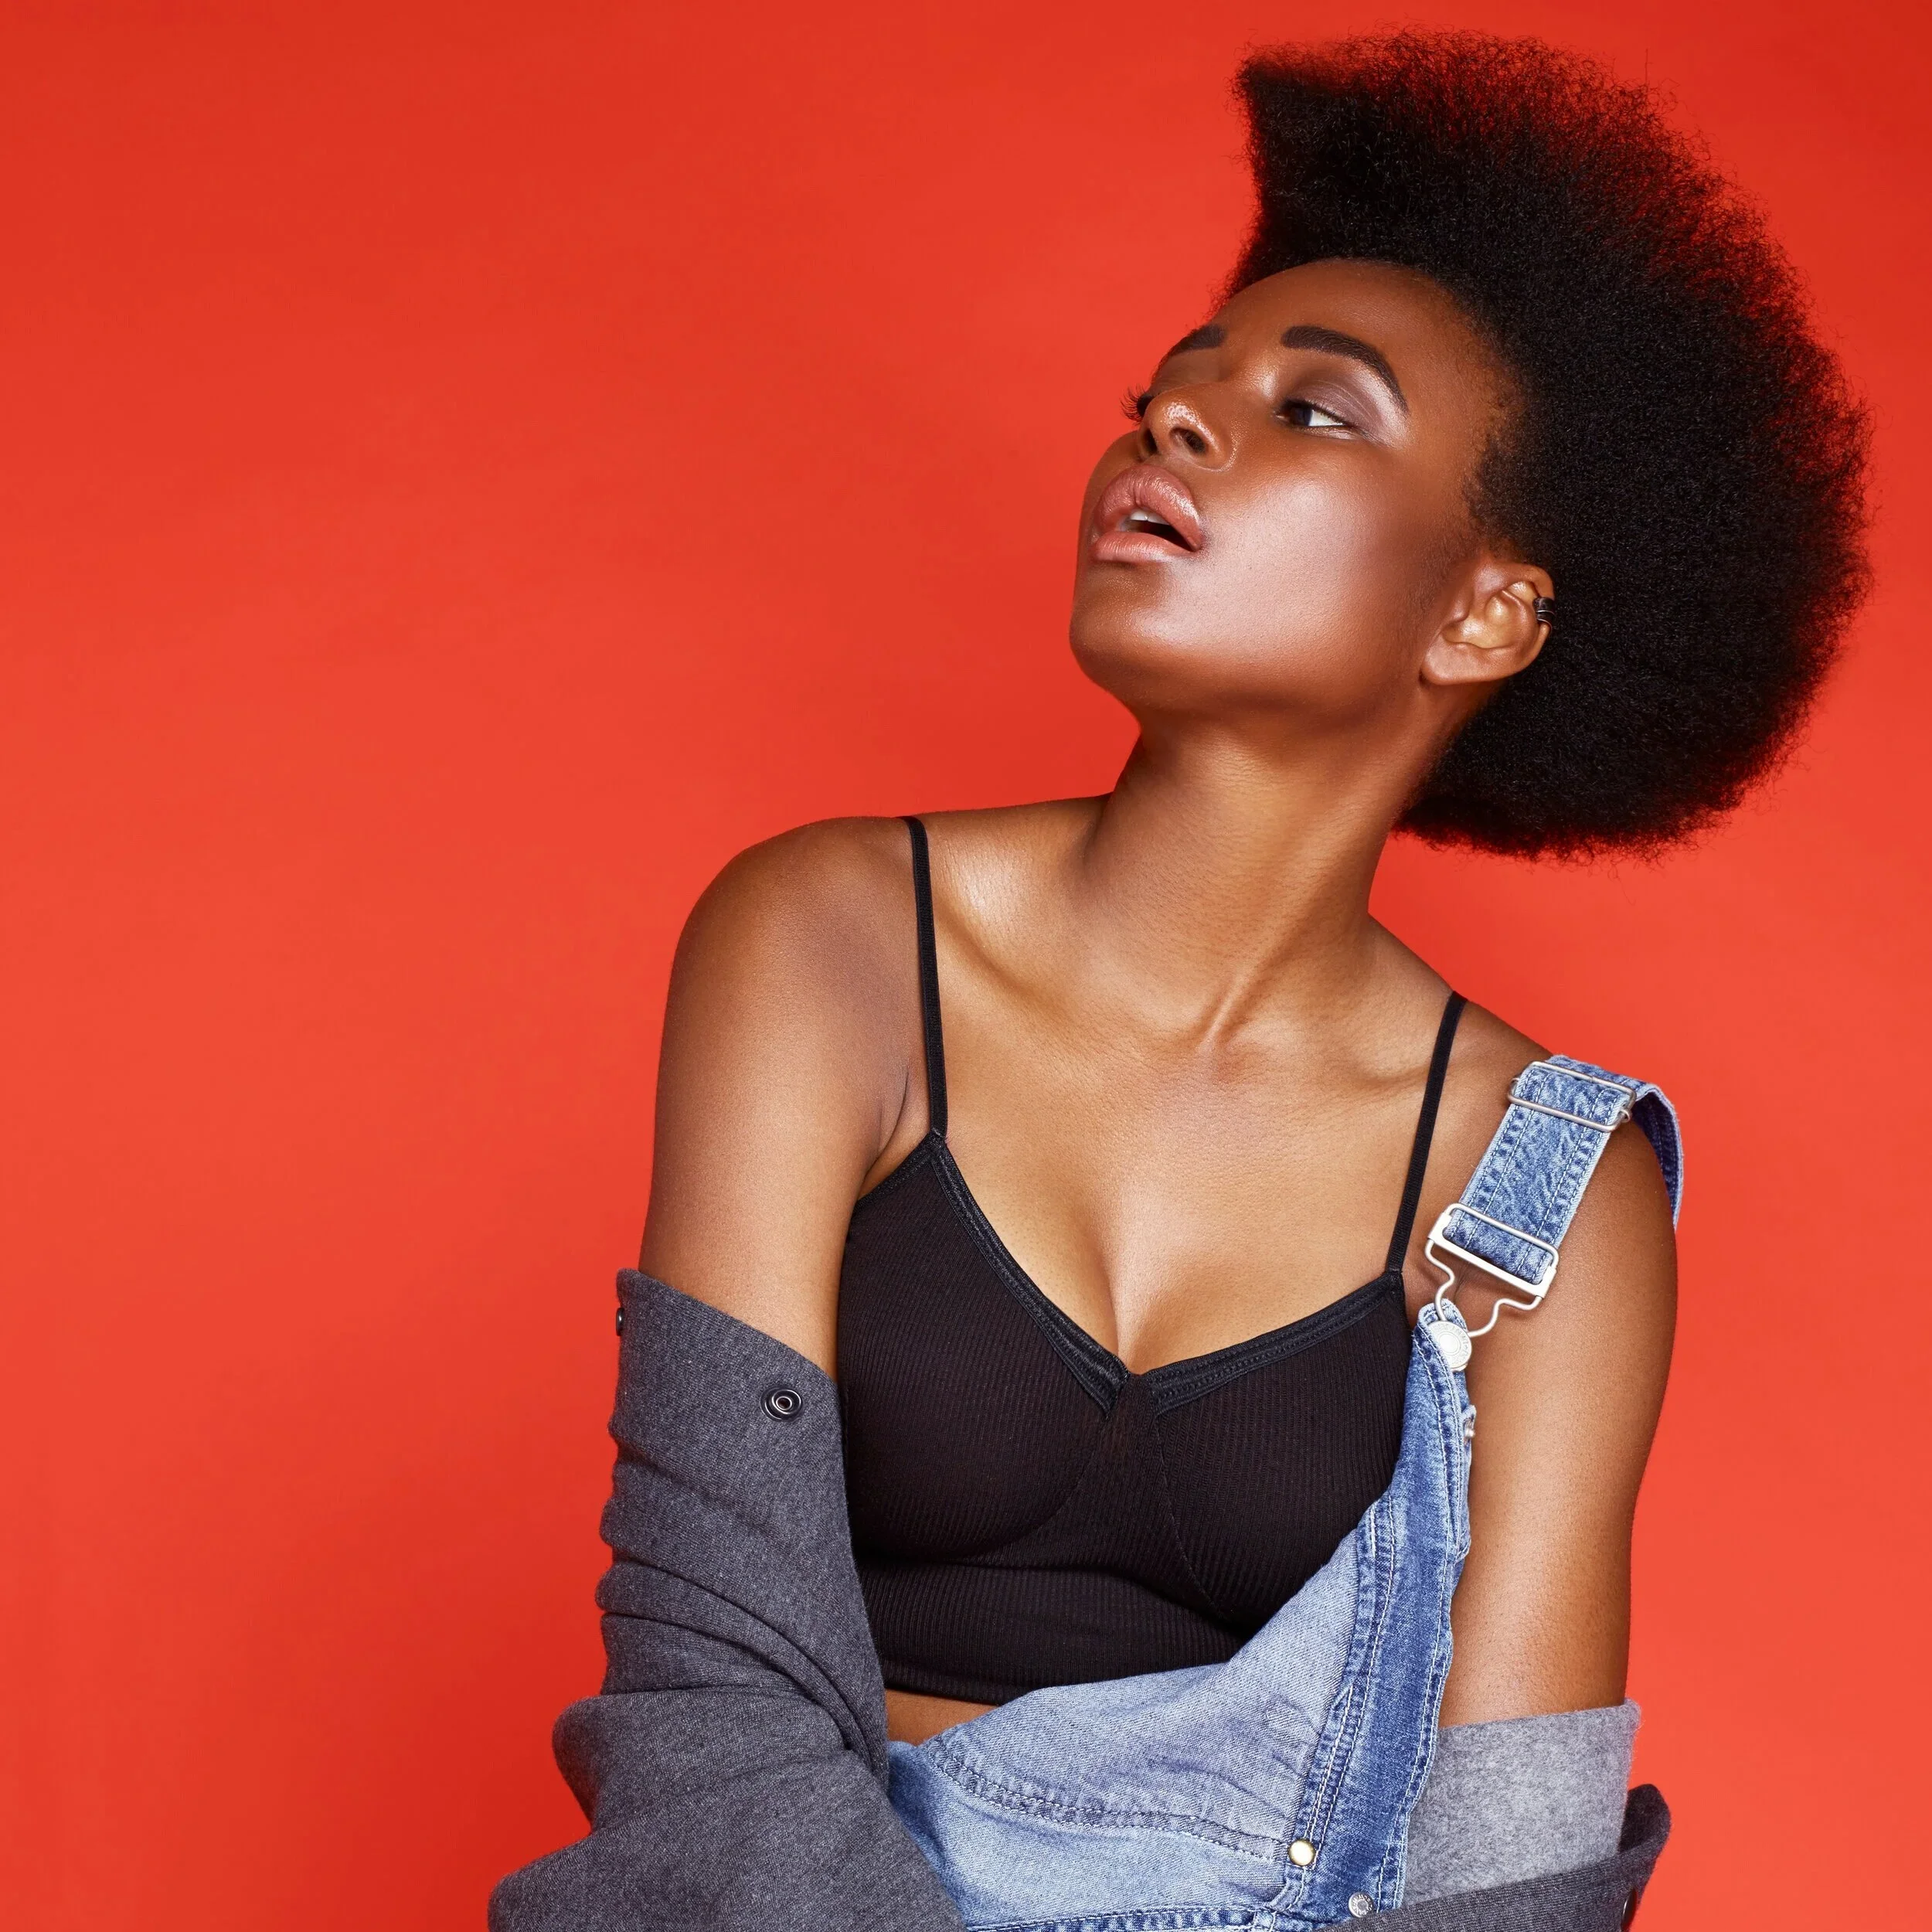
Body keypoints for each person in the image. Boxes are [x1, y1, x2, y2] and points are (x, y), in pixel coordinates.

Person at [491, 30, 1866, 1931]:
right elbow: (705, 1687)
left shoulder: (1546, 1192)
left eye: (1316, 410)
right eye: (1166, 395)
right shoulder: (825, 944)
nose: (1176, 430)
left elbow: (1510, 1869)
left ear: (1482, 611)